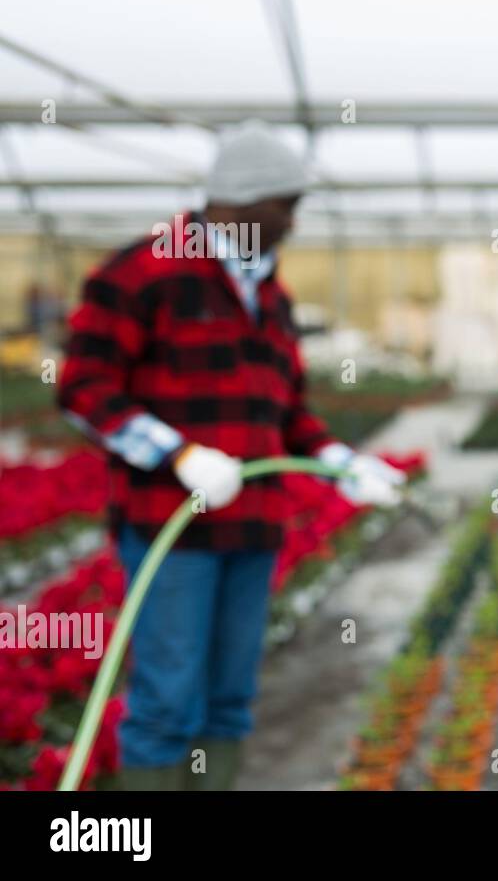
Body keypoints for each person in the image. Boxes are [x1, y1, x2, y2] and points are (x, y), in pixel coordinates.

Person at [57, 119, 407, 790]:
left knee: (229, 701)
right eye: (286, 206)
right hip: (173, 525)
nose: (293, 223)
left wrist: (340, 459)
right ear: (241, 202)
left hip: (253, 527)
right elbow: (83, 387)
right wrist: (177, 454)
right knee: (166, 701)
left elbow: (286, 410)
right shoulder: (145, 272)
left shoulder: (270, 295)